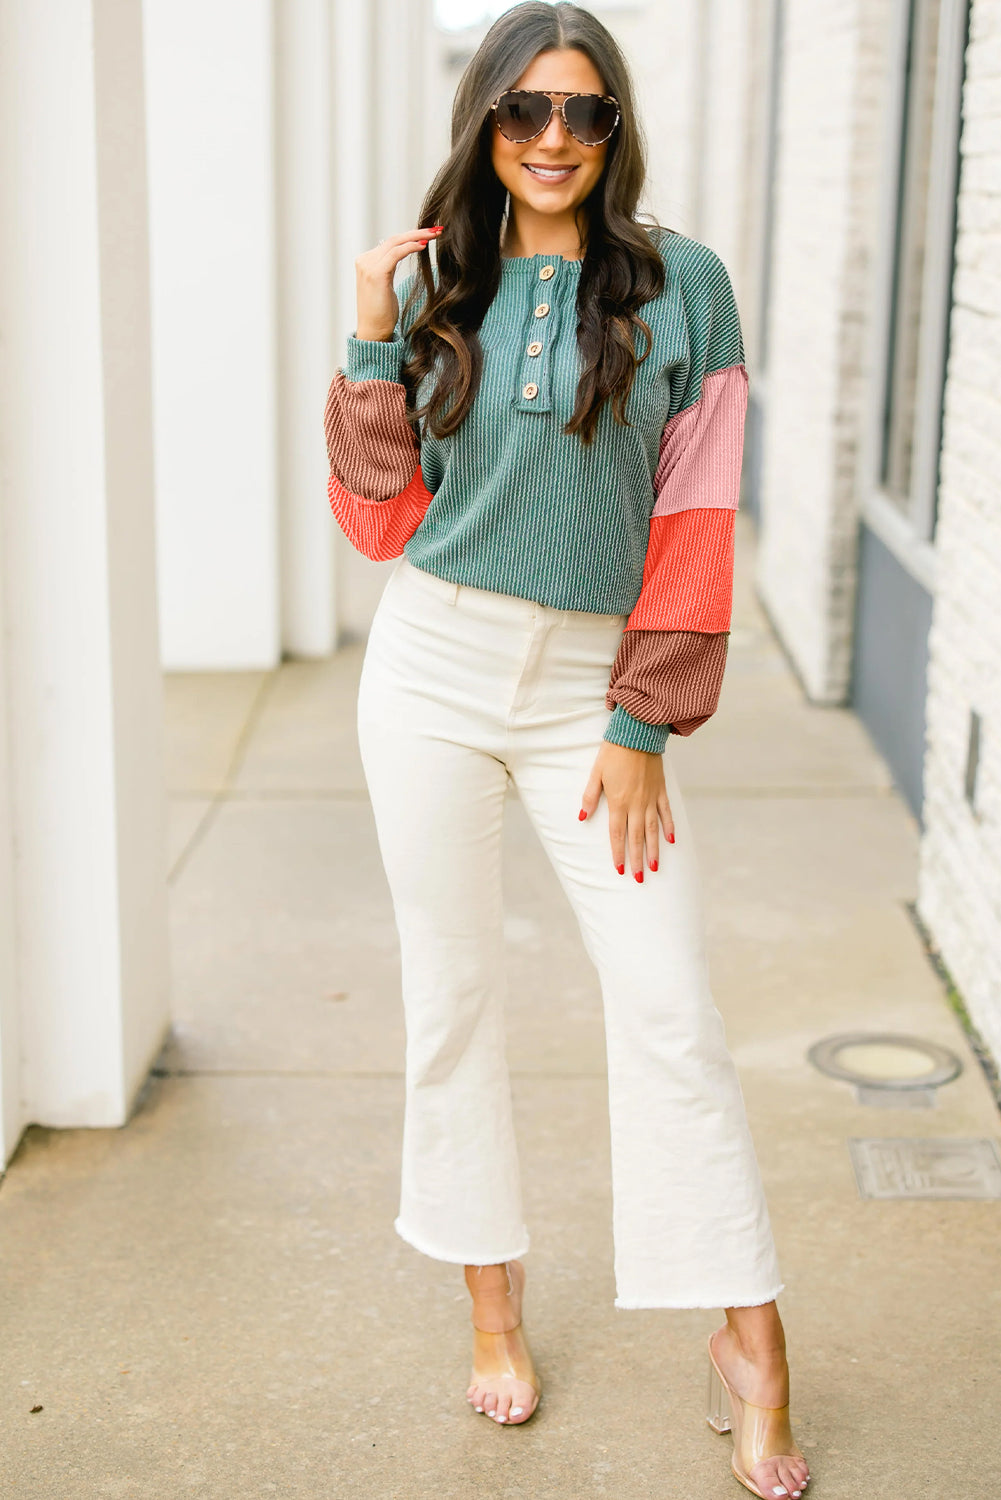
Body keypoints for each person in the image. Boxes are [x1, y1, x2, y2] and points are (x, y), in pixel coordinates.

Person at [323, 5, 810, 1497]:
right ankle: (491, 1299)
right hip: (429, 671)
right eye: (523, 109)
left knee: (667, 1005)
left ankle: (751, 1343)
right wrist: (366, 331)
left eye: (581, 113)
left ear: (614, 131)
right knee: (452, 997)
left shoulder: (682, 286)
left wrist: (639, 719)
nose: (550, 138)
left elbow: (695, 516)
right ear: (482, 122)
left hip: (588, 690)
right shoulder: (435, 283)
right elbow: (380, 525)